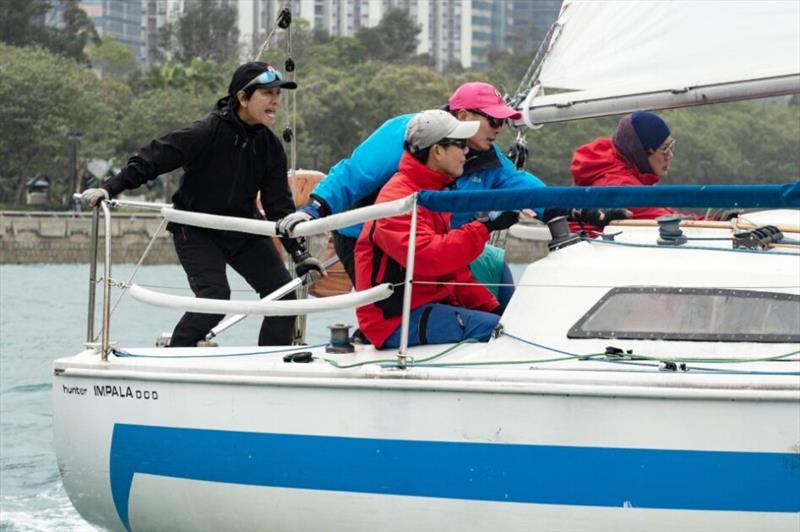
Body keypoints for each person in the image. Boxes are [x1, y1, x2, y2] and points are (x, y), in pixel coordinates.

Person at [80, 62, 322, 347]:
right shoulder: (205, 131)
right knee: (214, 299)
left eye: (278, 94)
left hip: (242, 226)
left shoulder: (270, 147)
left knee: (283, 296)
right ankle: (174, 357)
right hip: (196, 229)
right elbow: (153, 159)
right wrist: (108, 188)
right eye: (267, 93)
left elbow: (279, 207)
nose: (276, 101)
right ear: (243, 98)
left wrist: (299, 255)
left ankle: (269, 367)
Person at [276, 82, 546, 304]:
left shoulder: (491, 160)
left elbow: (527, 188)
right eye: (494, 120)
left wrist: (573, 210)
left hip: (433, 247)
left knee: (498, 280)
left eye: (503, 122)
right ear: (464, 116)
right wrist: (315, 208)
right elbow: (355, 174)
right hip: (370, 244)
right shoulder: (409, 133)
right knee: (402, 312)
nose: (500, 128)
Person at [355, 110, 518, 349]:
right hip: (395, 321)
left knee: (507, 325)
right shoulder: (398, 199)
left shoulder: (430, 194)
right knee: (502, 334)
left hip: (423, 308)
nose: (466, 152)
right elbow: (427, 258)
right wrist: (485, 227)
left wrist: (494, 307)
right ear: (437, 151)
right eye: (460, 145)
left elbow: (454, 273)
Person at [570, 111, 700, 228]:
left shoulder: (617, 169)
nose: (670, 156)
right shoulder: (619, 186)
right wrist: (715, 220)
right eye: (665, 149)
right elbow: (673, 224)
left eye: (671, 146)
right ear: (641, 153)